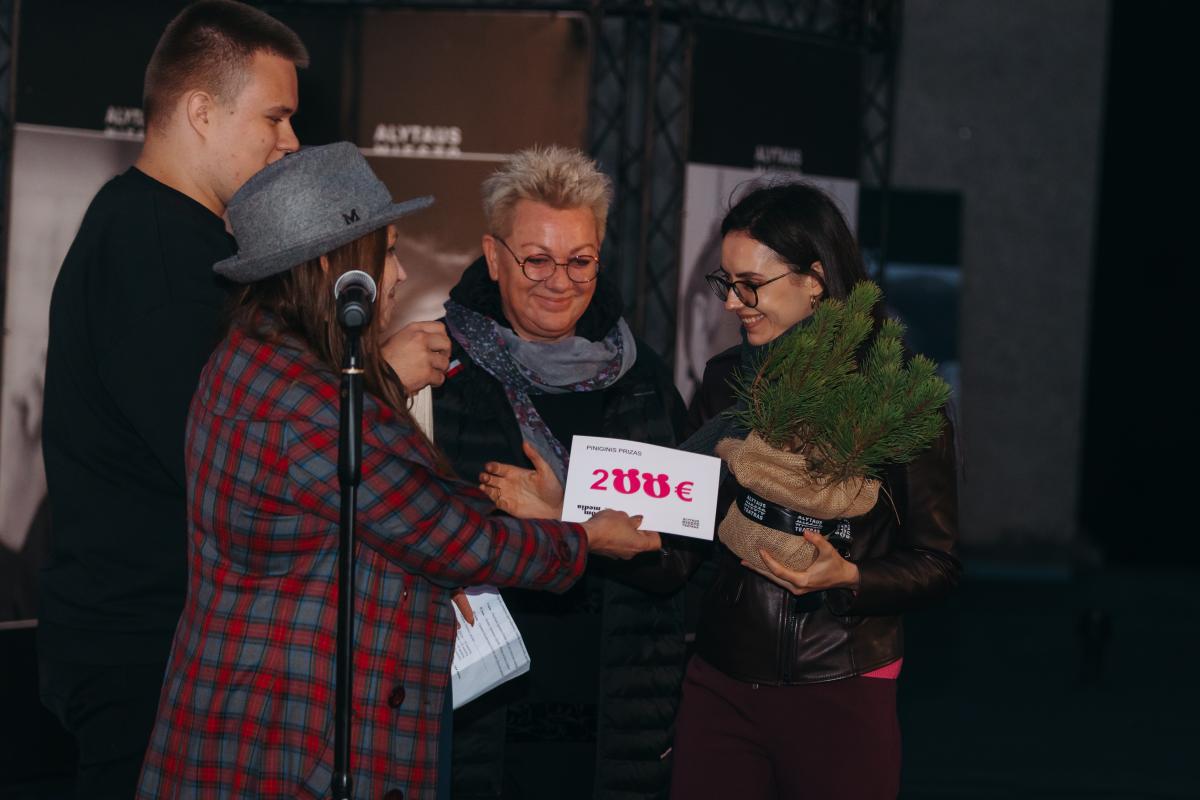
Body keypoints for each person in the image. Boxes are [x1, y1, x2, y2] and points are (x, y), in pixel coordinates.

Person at [134, 141, 659, 799]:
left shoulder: (250, 357)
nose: (402, 274)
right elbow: (452, 537)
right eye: (386, 254)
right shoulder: (312, 404)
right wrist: (584, 536)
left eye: (580, 260)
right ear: (334, 270)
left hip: (250, 717)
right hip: (290, 740)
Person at [38, 4, 308, 796]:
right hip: (148, 655)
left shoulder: (167, 235)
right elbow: (235, 465)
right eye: (275, 116)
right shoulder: (153, 255)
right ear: (200, 111)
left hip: (158, 642)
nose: (291, 141)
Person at [668, 183, 961, 799]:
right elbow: (683, 524)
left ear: (815, 281)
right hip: (721, 680)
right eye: (726, 283)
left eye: (751, 284)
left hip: (843, 683)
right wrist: (575, 517)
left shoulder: (897, 397)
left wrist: (849, 578)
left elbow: (938, 563)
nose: (733, 303)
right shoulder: (725, 381)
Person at [433, 145, 691, 800]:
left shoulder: (641, 379)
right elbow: (411, 535)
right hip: (480, 720)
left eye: (580, 260)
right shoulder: (439, 372)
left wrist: (565, 510)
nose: (560, 281)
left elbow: (680, 558)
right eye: (537, 259)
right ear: (494, 257)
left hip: (612, 719)